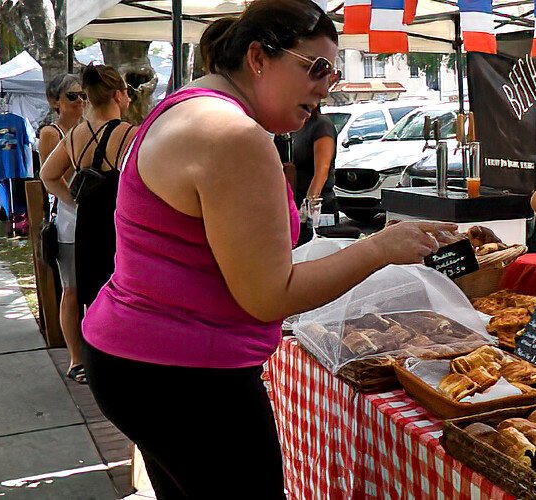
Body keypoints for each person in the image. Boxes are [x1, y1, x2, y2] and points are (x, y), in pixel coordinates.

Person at [78, 1, 454, 496]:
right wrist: (381, 247)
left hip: (140, 363)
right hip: (186, 380)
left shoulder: (190, 105)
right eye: (316, 68)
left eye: (334, 73)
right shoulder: (233, 134)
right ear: (259, 57)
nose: (326, 86)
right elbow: (269, 295)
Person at [40, 65, 137, 317]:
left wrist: (73, 201)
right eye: (127, 92)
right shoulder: (131, 134)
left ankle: (94, 348)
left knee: (93, 296)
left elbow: (48, 175)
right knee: (125, 293)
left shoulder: (74, 135)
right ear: (118, 94)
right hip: (122, 225)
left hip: (87, 225)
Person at [37, 74, 89, 383]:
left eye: (83, 95)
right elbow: (53, 176)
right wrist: (78, 202)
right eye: (72, 96)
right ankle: (75, 358)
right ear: (56, 102)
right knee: (71, 289)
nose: (80, 101)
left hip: (91, 220)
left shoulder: (87, 130)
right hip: (68, 220)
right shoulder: (52, 133)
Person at [290, 105, 338, 245]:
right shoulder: (297, 127)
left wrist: (308, 207)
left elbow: (322, 171)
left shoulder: (321, 124)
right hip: (299, 202)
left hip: (318, 205)